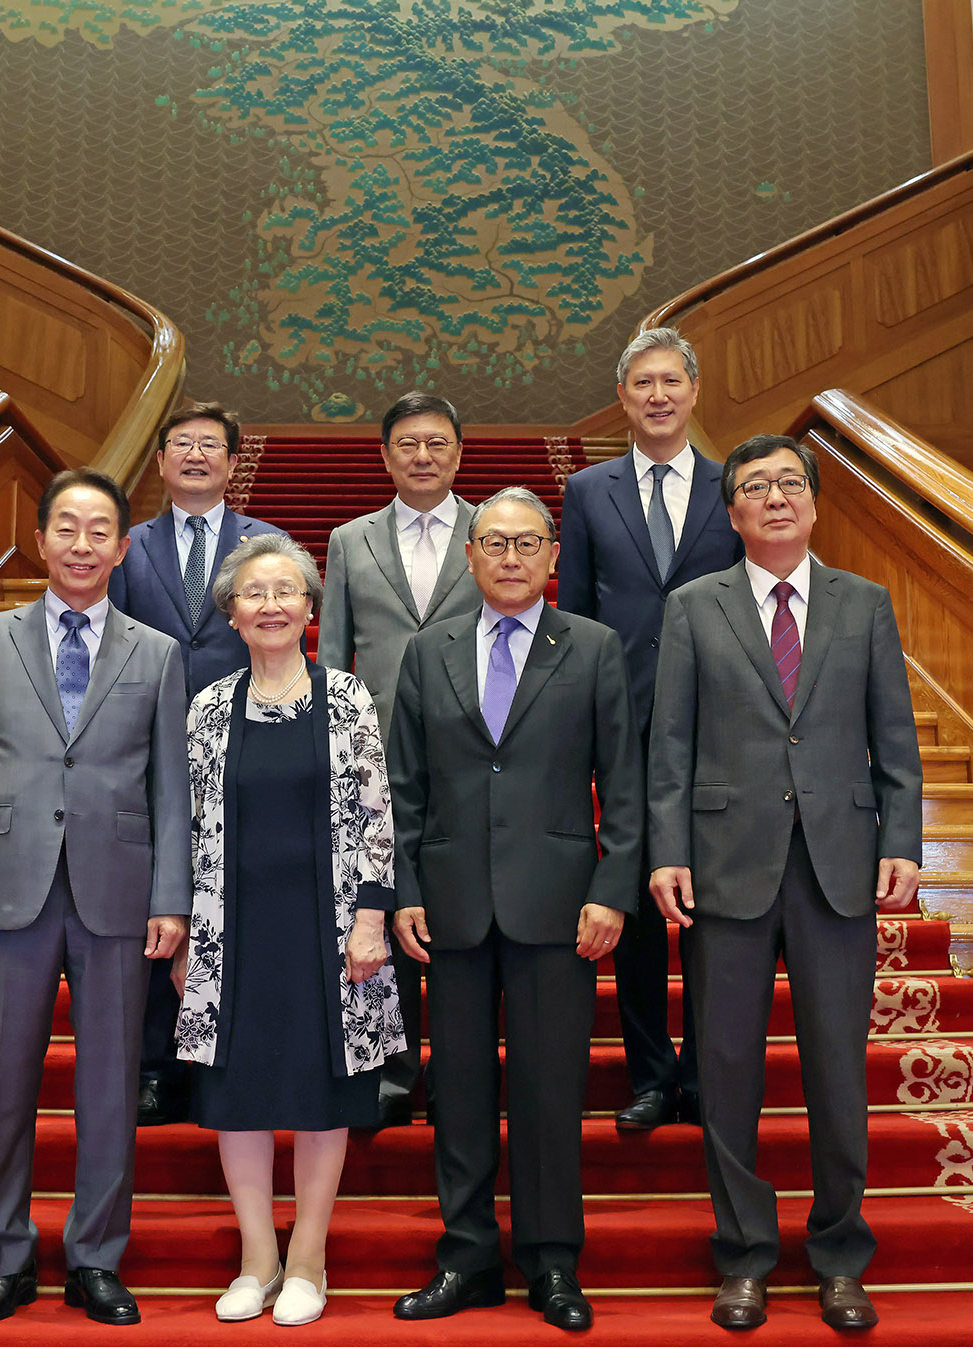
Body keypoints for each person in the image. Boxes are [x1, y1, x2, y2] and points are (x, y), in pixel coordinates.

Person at [645, 435, 923, 1333]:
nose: (773, 498)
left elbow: (896, 737)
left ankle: (841, 1253)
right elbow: (671, 746)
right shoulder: (695, 606)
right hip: (726, 865)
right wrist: (666, 848)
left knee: (838, 1071)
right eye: (754, 487)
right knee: (726, 1073)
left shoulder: (865, 603)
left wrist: (904, 837)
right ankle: (746, 1255)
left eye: (789, 484)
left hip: (839, 864)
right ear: (730, 513)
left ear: (813, 504)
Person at [0, 468, 189, 1328]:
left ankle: (95, 1257)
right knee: (6, 1083)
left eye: (99, 531)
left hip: (116, 891)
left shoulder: (156, 652)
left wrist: (171, 896)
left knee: (112, 1085)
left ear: (122, 546)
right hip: (11, 885)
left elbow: (169, 791)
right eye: (67, 529)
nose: (83, 545)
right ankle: (2, 1257)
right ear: (41, 541)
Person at [387, 488, 642, 1333]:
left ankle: (552, 1261)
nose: (508, 556)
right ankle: (466, 1257)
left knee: (546, 1088)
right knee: (457, 1092)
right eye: (492, 541)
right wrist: (406, 891)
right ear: (470, 554)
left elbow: (628, 786)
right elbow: (404, 788)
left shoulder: (596, 648)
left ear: (552, 556)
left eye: (526, 542)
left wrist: (611, 889)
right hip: (451, 905)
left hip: (559, 905)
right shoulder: (430, 651)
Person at [172, 533, 405, 1326]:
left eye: (286, 591)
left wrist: (371, 918)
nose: (270, 605)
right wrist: (186, 933)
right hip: (231, 930)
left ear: (310, 607)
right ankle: (256, 1258)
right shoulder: (206, 707)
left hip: (328, 928)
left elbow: (379, 813)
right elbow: (188, 824)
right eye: (253, 593)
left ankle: (308, 1255)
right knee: (235, 1092)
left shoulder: (347, 699)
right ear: (232, 613)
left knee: (321, 1090)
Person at [556, 327, 742, 1133]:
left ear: (694, 391)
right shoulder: (589, 491)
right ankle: (651, 1073)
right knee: (631, 904)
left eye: (672, 381)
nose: (658, 396)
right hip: (624, 720)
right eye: (643, 384)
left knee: (711, 906)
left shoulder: (731, 485)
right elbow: (578, 612)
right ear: (623, 399)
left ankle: (705, 1071)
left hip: (719, 722)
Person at [109, 400, 286, 1127]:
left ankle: (235, 1058)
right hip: (148, 754)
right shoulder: (129, 545)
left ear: (233, 463)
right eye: (180, 443)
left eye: (209, 444)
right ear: (158, 462)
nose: (194, 454)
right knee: (159, 905)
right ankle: (155, 1067)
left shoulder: (265, 542)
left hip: (242, 745)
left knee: (236, 905)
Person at [318, 390, 480, 1129]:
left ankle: (457, 1067)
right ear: (385, 456)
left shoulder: (492, 531)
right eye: (408, 444)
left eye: (436, 443)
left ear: (457, 451)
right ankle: (393, 1066)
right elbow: (333, 653)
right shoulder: (350, 539)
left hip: (475, 746)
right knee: (381, 904)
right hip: (374, 749)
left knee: (459, 906)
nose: (423, 456)